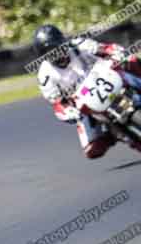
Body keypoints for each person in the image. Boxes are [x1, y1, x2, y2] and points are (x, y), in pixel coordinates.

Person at [33, 24, 141, 158]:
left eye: (58, 47)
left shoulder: (79, 44)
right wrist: (69, 112)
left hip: (106, 76)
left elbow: (106, 49)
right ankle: (115, 134)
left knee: (132, 60)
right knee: (93, 149)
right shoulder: (44, 75)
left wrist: (116, 53)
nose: (57, 53)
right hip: (84, 100)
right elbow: (57, 104)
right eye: (50, 52)